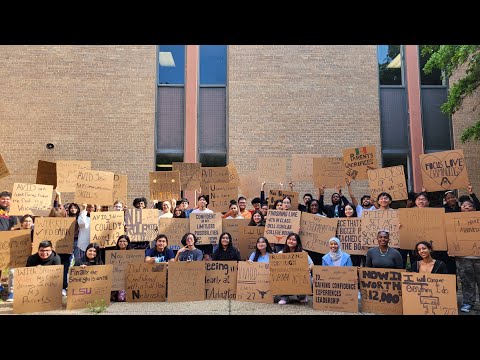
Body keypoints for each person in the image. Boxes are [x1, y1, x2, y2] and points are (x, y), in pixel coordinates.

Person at [456, 195, 480, 313]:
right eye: (464, 206)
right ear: (460, 208)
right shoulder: (454, 221)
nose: (467, 208)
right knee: (466, 281)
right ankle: (468, 302)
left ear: (474, 208)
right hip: (463, 257)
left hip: (478, 257)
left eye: (470, 206)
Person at [277, 232, 313, 305]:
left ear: (297, 242)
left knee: (308, 278)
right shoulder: (281, 253)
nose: (291, 241)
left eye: (293, 240)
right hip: (286, 277)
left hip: (299, 276)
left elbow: (312, 264)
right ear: (286, 240)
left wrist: (308, 268)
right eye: (289, 239)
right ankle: (284, 297)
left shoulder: (303, 253)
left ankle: (302, 296)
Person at [110, 235, 131, 302]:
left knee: (122, 298)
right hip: (116, 278)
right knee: (120, 299)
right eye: (120, 241)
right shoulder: (112, 254)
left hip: (129, 278)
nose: (122, 243)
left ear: (128, 243)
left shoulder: (133, 254)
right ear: (118, 243)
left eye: (124, 241)